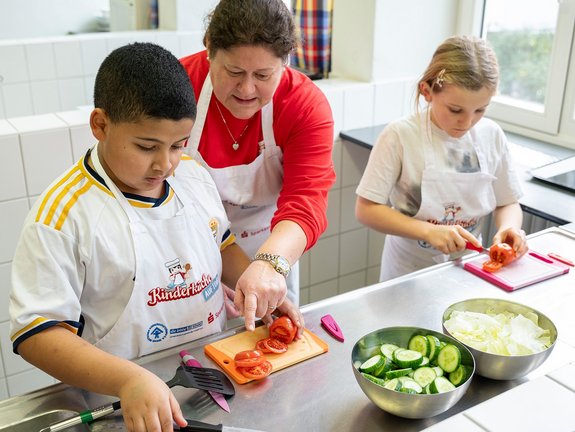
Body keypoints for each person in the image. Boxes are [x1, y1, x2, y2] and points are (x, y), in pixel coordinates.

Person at [9, 42, 302, 432]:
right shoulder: (62, 216)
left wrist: (257, 291)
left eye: (178, 145)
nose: (165, 164)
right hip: (122, 401)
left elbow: (222, 244)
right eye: (147, 147)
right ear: (100, 125)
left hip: (210, 380)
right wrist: (127, 380)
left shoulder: (193, 177)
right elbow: (37, 335)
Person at [180, 0, 336, 329]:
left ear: (287, 61)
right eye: (233, 72)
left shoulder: (303, 104)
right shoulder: (178, 87)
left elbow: (306, 201)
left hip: (271, 244)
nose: (247, 89)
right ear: (209, 47)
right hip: (188, 254)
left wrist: (269, 264)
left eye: (263, 75)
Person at [355, 35, 528, 281]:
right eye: (455, 110)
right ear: (427, 91)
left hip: (468, 264)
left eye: (480, 110)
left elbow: (507, 202)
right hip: (408, 269)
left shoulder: (492, 135)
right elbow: (367, 209)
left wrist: (509, 227)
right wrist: (427, 231)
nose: (467, 122)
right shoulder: (400, 135)